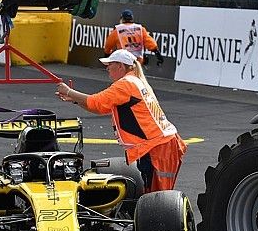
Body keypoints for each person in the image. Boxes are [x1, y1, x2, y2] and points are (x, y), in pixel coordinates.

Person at [55, 49, 186, 193]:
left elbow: (95, 102)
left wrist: (69, 92)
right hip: (161, 144)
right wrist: (75, 100)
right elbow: (100, 107)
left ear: (120, 66)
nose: (107, 68)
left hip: (158, 147)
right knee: (155, 194)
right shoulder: (134, 81)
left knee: (157, 197)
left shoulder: (125, 84)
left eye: (110, 64)